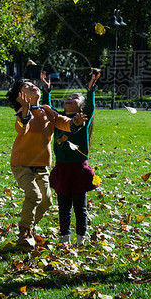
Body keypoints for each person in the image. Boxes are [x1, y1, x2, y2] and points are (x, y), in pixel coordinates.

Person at [6, 76, 86, 252]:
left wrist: (75, 123)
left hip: (41, 167)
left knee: (47, 201)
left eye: (33, 84)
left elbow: (63, 123)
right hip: (21, 164)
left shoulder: (47, 110)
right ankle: (25, 232)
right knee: (34, 195)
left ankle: (27, 229)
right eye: (27, 86)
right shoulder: (22, 113)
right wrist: (26, 109)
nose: (33, 86)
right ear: (20, 95)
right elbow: (22, 128)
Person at [46, 70, 101, 247]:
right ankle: (64, 237)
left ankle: (81, 238)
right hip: (62, 170)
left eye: (75, 98)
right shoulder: (59, 120)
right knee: (63, 207)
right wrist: (46, 92)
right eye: (68, 97)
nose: (69, 98)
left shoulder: (82, 119)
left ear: (81, 108)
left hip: (78, 170)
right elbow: (48, 110)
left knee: (80, 207)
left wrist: (90, 91)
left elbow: (91, 108)